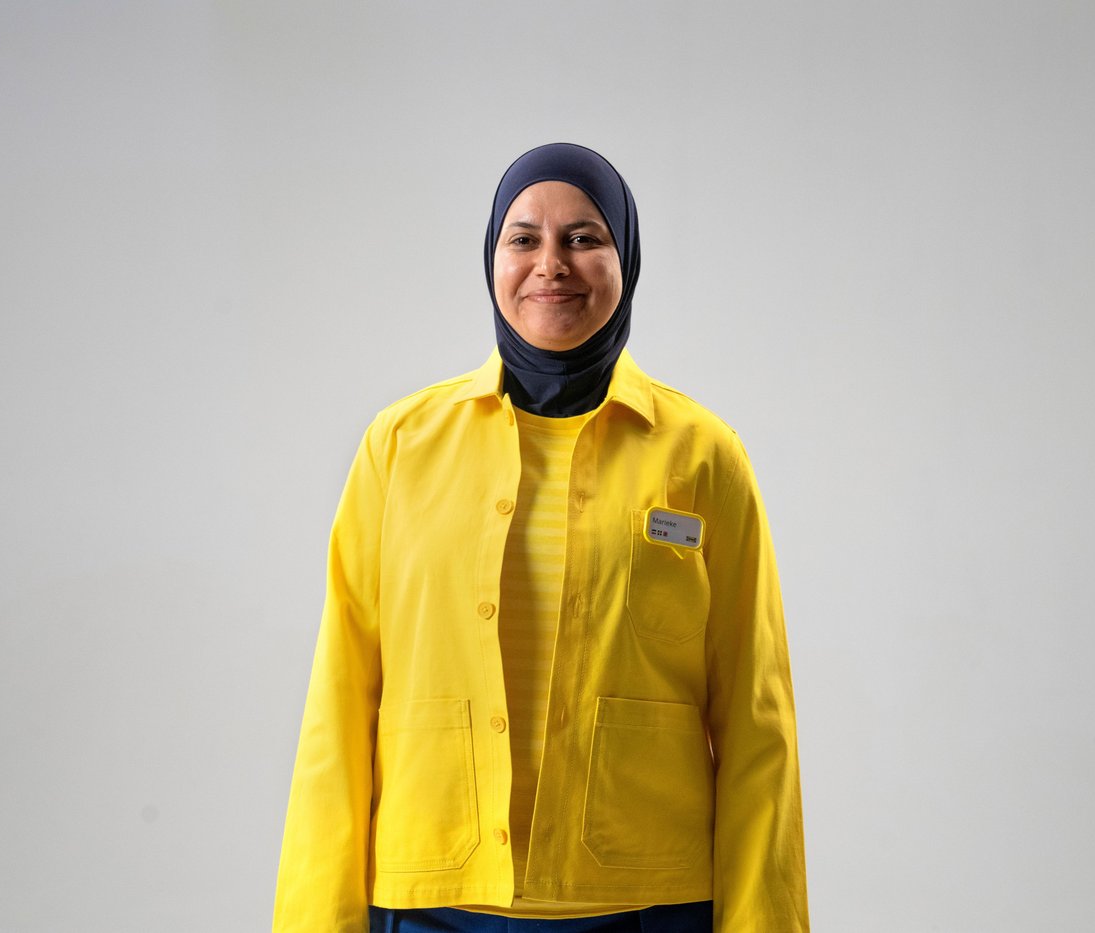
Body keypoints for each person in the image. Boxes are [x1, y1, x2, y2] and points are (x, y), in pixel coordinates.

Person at [273, 143, 808, 933]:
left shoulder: (702, 455)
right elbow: (341, 700)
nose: (551, 264)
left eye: (585, 238)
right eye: (523, 239)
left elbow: (758, 722)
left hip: (644, 906)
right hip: (432, 905)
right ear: (491, 259)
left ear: (625, 260)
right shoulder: (399, 447)